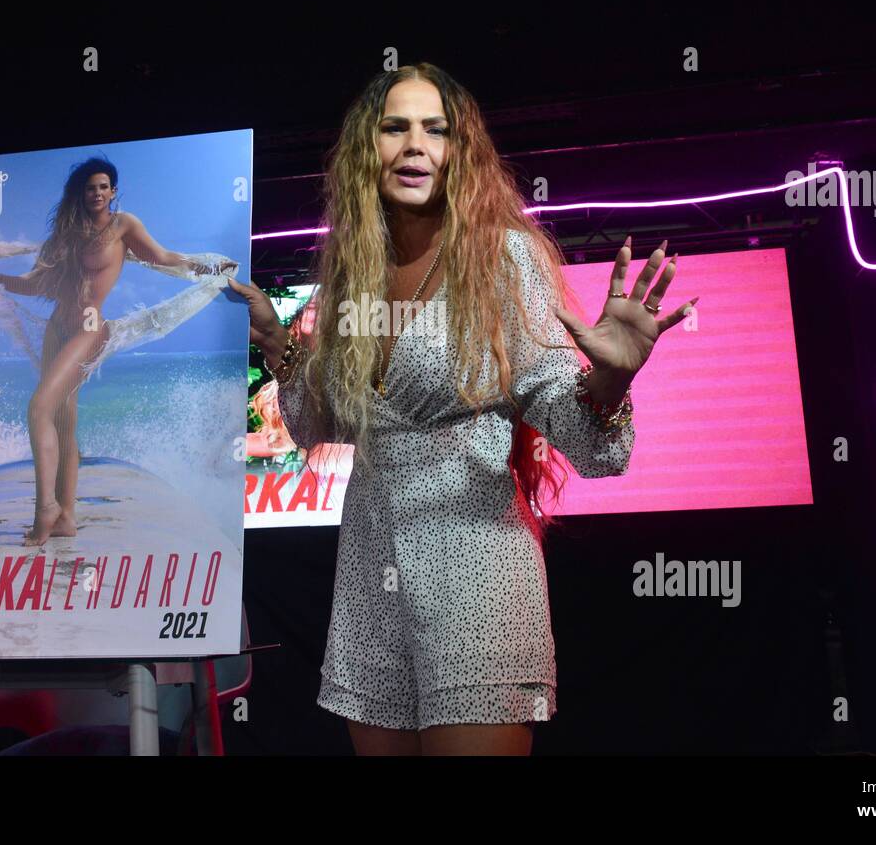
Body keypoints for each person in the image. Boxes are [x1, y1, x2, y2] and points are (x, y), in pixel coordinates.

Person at [227, 63, 697, 755]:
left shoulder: (501, 259)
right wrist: (276, 346)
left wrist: (608, 382)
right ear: (368, 148)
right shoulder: (353, 270)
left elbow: (586, 441)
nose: (415, 144)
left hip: (476, 571)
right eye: (395, 127)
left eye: (434, 129)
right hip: (367, 574)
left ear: (458, 151)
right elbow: (320, 420)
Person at [0, 157, 229, 546]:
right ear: (80, 193)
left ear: (113, 191)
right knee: (62, 422)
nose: (96, 193)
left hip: (89, 327)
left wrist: (211, 270)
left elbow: (162, 258)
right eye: (89, 187)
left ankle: (43, 509)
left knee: (39, 408)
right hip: (57, 328)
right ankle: (66, 516)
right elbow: (37, 285)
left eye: (103, 186)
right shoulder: (67, 234)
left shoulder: (123, 226)